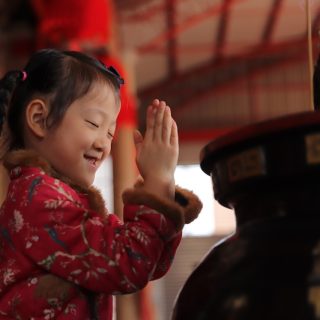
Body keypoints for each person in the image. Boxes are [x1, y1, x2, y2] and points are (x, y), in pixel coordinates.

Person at [0, 48, 202, 319]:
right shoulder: (38, 200)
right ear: (39, 118)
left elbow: (150, 262)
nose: (103, 143)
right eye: (93, 123)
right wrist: (157, 180)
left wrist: (162, 187)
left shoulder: (59, 199)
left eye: (110, 132)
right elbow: (129, 263)